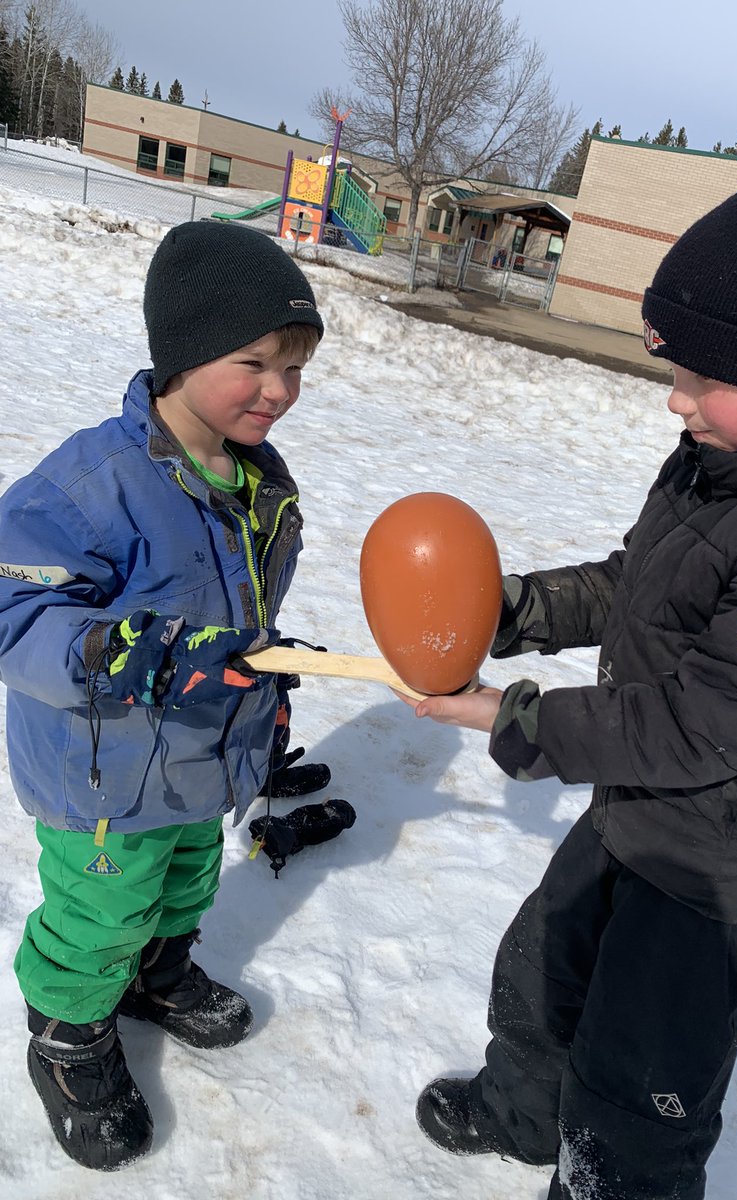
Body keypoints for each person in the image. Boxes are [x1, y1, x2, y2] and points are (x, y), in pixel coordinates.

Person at [400, 159, 737, 1198]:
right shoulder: (730, 456)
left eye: (701, 376)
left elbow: (703, 722)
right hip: (648, 803)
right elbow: (641, 584)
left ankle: (607, 1178)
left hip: (726, 865)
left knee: (642, 1087)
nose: (673, 400)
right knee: (544, 966)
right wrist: (516, 611)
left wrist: (516, 718)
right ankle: (524, 1110)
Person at [0, 220, 329, 1171]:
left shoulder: (254, 480)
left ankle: (158, 974)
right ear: (183, 354)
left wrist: (258, 667)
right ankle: (67, 1036)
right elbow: (15, 611)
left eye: (296, 366)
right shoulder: (95, 482)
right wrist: (132, 651)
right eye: (256, 361)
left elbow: (233, 605)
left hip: (201, 754)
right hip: (105, 775)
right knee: (101, 910)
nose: (281, 390)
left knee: (187, 879)